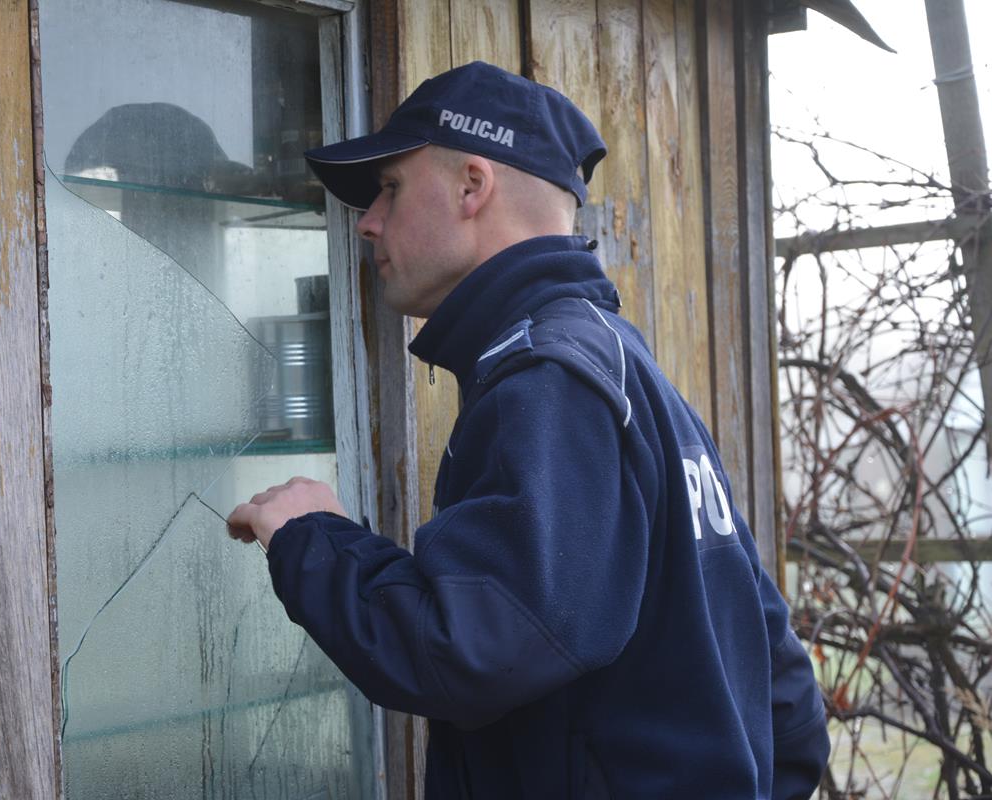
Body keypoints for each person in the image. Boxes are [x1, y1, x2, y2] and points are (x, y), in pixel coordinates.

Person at [226, 60, 829, 799]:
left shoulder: (548, 381)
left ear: (472, 185)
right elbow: (784, 698)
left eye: (389, 188)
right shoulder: (617, 362)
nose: (369, 222)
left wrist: (310, 535)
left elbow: (474, 649)